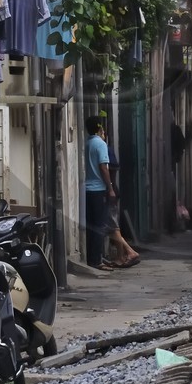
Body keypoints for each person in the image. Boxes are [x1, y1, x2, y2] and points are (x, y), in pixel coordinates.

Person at [84, 114, 112, 270]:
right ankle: (97, 260)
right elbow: (103, 167)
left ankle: (93, 257)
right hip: (98, 189)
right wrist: (111, 187)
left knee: (90, 226)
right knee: (99, 225)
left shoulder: (87, 143)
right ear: (100, 128)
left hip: (86, 190)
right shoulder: (100, 144)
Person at [104, 142, 139, 268]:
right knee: (113, 226)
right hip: (112, 191)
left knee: (112, 227)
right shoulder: (109, 151)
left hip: (108, 193)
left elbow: (110, 171)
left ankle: (129, 251)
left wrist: (109, 188)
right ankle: (121, 256)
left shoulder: (105, 151)